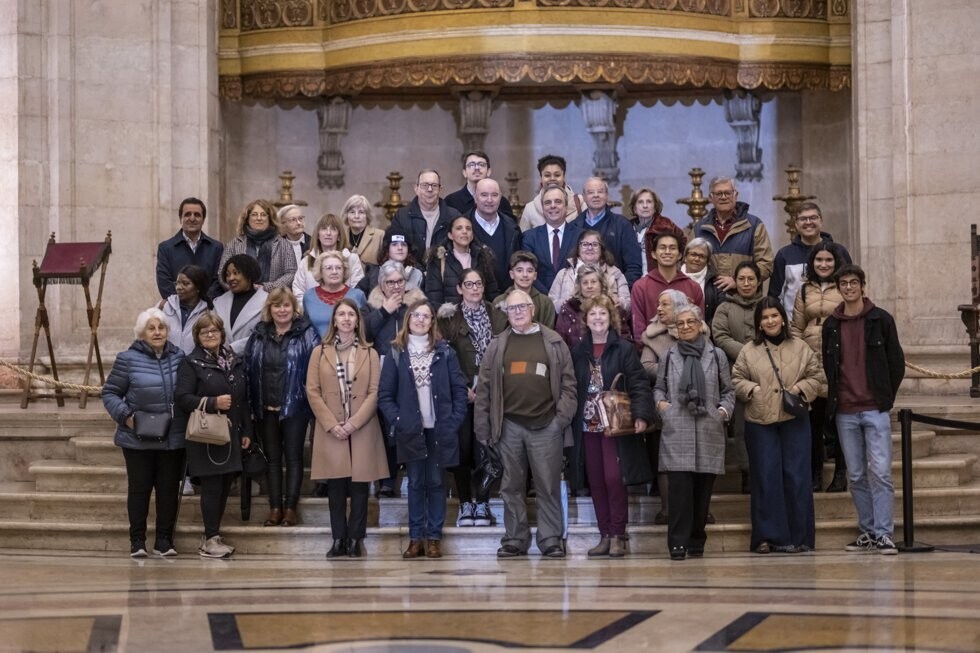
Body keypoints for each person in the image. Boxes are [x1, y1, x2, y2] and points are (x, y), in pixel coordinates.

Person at [474, 289, 577, 559]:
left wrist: (560, 421)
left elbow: (569, 385)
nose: (517, 312)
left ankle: (551, 539)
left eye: (522, 307)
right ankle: (515, 539)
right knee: (511, 486)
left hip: (547, 426)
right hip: (508, 426)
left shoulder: (554, 342)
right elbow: (484, 390)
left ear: (533, 309)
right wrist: (483, 430)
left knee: (548, 484)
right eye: (512, 308)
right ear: (506, 313)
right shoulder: (497, 345)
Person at [732, 297, 826, 554]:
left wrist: (799, 388)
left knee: (797, 477)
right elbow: (736, 378)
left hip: (794, 420)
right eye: (765, 318)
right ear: (759, 324)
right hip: (760, 422)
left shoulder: (801, 347)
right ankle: (766, 536)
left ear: (783, 318)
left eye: (774, 315)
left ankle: (801, 536)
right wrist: (753, 390)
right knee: (765, 478)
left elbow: (817, 376)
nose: (770, 321)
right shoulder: (748, 350)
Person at [822, 264, 905, 555]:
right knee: (856, 474)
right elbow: (828, 366)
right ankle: (868, 531)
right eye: (843, 283)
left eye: (853, 282)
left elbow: (897, 363)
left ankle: (884, 534)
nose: (848, 287)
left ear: (862, 285)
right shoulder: (830, 325)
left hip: (875, 409)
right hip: (845, 411)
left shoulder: (881, 319)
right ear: (838, 288)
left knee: (880, 472)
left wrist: (885, 397)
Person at [378, 300, 468, 559]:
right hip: (411, 430)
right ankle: (416, 537)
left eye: (425, 316)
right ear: (408, 319)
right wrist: (400, 421)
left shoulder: (445, 352)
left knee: (437, 482)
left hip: (439, 430)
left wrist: (453, 420)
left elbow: (459, 391)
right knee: (416, 483)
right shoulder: (396, 351)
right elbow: (385, 395)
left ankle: (434, 538)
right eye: (415, 315)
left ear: (432, 322)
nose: (420, 320)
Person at [570, 295, 652, 558]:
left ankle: (618, 534)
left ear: (611, 319)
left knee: (614, 478)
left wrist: (641, 415)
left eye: (602, 314)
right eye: (592, 314)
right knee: (595, 480)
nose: (597, 319)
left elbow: (639, 383)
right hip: (586, 425)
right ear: (586, 319)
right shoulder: (577, 351)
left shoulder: (624, 348)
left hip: (616, 425)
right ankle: (604, 535)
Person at [307, 299, 390, 558]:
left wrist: (354, 422)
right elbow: (312, 391)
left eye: (350, 315)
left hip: (362, 428)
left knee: (360, 488)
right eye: (341, 314)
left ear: (357, 320)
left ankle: (355, 539)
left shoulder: (370, 352)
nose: (345, 319)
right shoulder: (319, 352)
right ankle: (338, 539)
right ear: (334, 320)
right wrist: (333, 425)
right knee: (336, 489)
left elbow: (375, 392)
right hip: (331, 428)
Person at [102, 308, 187, 558]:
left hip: (172, 437)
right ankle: (137, 541)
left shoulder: (179, 357)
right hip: (137, 437)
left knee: (168, 490)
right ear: (141, 333)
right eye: (151, 328)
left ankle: (164, 541)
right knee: (139, 490)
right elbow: (109, 393)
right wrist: (126, 416)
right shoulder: (127, 359)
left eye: (161, 327)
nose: (157, 332)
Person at [654, 304, 734, 560]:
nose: (686, 326)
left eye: (691, 322)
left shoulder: (716, 354)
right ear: (675, 330)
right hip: (677, 430)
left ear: (701, 325)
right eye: (681, 323)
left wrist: (722, 411)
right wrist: (662, 407)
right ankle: (677, 543)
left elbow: (729, 391)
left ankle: (697, 541)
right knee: (679, 494)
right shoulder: (668, 356)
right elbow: (658, 388)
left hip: (708, 429)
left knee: (702, 494)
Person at [175, 312, 252, 558]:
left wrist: (247, 431)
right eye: (204, 332)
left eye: (214, 331)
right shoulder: (190, 363)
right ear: (197, 337)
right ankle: (210, 539)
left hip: (232, 433)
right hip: (206, 435)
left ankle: (212, 536)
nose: (209, 335)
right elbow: (182, 398)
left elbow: (243, 400)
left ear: (222, 334)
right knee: (211, 486)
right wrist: (212, 402)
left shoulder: (234, 359)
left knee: (225, 484)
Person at [243, 289, 319, 528]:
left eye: (286, 305)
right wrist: (251, 406)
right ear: (270, 309)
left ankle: (290, 509)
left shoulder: (306, 333)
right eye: (277, 306)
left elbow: (315, 369)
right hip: (265, 408)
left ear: (293, 307)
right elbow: (247, 370)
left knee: (294, 458)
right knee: (273, 460)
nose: (282, 310)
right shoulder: (258, 335)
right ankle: (275, 507)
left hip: (295, 408)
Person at [437, 268, 498, 527]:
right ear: (460, 288)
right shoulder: (448, 319)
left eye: (479, 283)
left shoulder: (498, 315)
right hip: (460, 394)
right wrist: (463, 388)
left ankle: (482, 502)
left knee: (485, 448)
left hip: (491, 393)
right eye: (469, 284)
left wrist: (487, 388)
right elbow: (442, 357)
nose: (474, 288)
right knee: (462, 450)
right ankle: (465, 503)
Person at [363, 260, 428, 498]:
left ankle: (413, 478)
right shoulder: (372, 305)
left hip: (414, 372)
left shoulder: (417, 304)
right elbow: (365, 332)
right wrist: (384, 311)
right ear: (382, 284)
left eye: (399, 281)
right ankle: (387, 481)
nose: (395, 286)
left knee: (412, 424)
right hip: (384, 372)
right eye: (390, 282)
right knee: (386, 428)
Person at [791, 242, 850, 493]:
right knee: (812, 423)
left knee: (839, 422)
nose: (824, 264)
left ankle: (840, 473)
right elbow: (795, 327)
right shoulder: (804, 291)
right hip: (811, 360)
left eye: (828, 260)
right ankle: (815, 473)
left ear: (836, 263)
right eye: (819, 260)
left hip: (839, 360)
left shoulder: (846, 287)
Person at [711, 261, 765, 493]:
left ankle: (766, 469)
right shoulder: (725, 307)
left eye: (750, 279)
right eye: (741, 279)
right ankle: (747, 472)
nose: (746, 283)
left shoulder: (768, 305)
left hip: (768, 373)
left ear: (758, 281)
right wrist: (748, 353)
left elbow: (779, 330)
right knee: (743, 427)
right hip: (736, 373)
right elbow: (720, 336)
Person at [638, 288, 688, 523]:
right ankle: (667, 510)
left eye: (665, 304)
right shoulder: (653, 336)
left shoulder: (697, 331)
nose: (659, 308)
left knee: (693, 459)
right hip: (665, 405)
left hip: (694, 406)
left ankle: (696, 508)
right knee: (665, 462)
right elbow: (646, 366)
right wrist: (673, 372)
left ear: (679, 306)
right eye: (658, 304)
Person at [689, 176, 774, 291]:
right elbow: (689, 264)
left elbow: (766, 263)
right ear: (711, 197)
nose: (723, 197)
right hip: (708, 299)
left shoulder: (754, 225)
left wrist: (737, 280)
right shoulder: (698, 229)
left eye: (727, 193)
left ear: (735, 195)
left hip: (745, 300)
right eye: (719, 194)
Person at [770, 202, 852, 320]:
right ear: (796, 224)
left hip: (836, 325)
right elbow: (775, 297)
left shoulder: (839, 251)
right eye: (803, 219)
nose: (808, 222)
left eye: (813, 218)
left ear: (821, 221)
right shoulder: (784, 255)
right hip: (794, 328)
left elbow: (851, 288)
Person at [631, 231, 704, 342]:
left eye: (673, 248)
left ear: (680, 255)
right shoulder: (640, 287)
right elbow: (638, 330)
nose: (667, 252)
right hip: (651, 351)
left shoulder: (693, 287)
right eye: (662, 247)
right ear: (653, 254)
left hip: (688, 350)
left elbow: (699, 325)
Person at [571, 177, 643, 286]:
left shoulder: (622, 225)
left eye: (600, 191)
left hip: (615, 295)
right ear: (584, 197)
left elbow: (634, 266)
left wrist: (621, 291)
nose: (596, 195)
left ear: (607, 195)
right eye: (591, 192)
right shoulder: (573, 227)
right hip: (580, 294)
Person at [217, 199, 297, 291]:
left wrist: (266, 288)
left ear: (270, 219)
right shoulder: (234, 244)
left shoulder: (283, 244)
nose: (259, 218)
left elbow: (291, 273)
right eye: (254, 215)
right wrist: (239, 289)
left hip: (272, 298)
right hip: (240, 298)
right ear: (247, 219)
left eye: (263, 215)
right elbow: (222, 273)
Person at [156, 197, 224, 300]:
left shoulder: (216, 248)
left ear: (203, 219)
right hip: (177, 311)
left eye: (197, 215)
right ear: (180, 219)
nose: (192, 218)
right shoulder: (165, 248)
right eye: (187, 214)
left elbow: (218, 281)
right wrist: (185, 303)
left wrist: (202, 304)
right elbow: (164, 284)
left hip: (208, 310)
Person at [520, 184, 583, 294]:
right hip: (539, 302)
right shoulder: (530, 237)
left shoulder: (580, 236)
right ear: (542, 208)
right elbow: (528, 271)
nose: (553, 206)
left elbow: (584, 271)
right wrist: (548, 298)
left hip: (573, 301)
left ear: (566, 207)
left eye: (558, 202)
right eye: (548, 202)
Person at [424, 214, 499, 306]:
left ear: (472, 236)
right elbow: (434, 296)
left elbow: (492, 292)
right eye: (459, 228)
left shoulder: (481, 257)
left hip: (480, 316)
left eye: (468, 229)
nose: (464, 231)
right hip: (451, 318)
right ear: (450, 235)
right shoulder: (439, 260)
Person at [387, 169, 461, 262]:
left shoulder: (454, 216)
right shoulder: (402, 216)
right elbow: (394, 249)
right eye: (425, 185)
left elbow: (459, 249)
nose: (430, 189)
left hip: (443, 272)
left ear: (440, 189)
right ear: (416, 189)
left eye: (434, 185)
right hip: (410, 271)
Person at [549, 230, 631, 312]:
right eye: (585, 244)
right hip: (570, 322)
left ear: (601, 249)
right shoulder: (563, 274)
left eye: (595, 244)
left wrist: (619, 303)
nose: (590, 248)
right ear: (578, 248)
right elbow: (550, 305)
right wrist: (569, 303)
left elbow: (628, 305)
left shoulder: (615, 272)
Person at [554, 265, 630, 350]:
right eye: (585, 283)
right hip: (576, 359)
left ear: (601, 284)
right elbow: (560, 342)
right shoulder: (569, 308)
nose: (589, 286)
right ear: (579, 286)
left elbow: (625, 339)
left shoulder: (614, 307)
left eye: (593, 282)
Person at [469, 178, 521, 295]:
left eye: (494, 195)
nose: (490, 200)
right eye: (484, 195)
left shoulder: (513, 228)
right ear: (475, 197)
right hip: (475, 298)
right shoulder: (464, 226)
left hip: (508, 298)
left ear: (500, 198)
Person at [294, 213, 365, 298]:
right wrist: (311, 308)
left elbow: (357, 291)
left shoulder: (351, 259)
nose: (328, 233)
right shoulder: (306, 262)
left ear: (339, 236)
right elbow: (298, 293)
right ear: (318, 235)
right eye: (324, 229)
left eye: (333, 229)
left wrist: (342, 309)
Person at [302, 251, 367, 339]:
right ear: (320, 271)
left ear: (344, 271)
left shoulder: (358, 295)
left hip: (350, 348)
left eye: (339, 268)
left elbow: (364, 328)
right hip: (317, 350)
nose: (334, 272)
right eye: (329, 268)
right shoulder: (309, 296)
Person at [212, 254, 269, 354]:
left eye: (236, 273)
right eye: (227, 274)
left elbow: (267, 334)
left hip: (251, 361)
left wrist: (235, 348)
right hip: (221, 362)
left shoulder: (267, 301)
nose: (231, 278)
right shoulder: (219, 302)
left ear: (249, 274)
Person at [491, 251, 556, 331]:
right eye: (519, 270)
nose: (525, 275)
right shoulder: (499, 302)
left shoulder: (546, 303)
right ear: (511, 274)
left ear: (535, 275)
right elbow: (498, 333)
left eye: (529, 271)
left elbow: (548, 335)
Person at [629, 188, 686, 277]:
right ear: (634, 208)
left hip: (660, 278)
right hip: (633, 279)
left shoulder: (666, 225)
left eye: (649, 202)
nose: (645, 206)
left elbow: (684, 245)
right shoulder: (627, 226)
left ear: (655, 207)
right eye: (640, 202)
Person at [518, 154, 583, 231]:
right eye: (547, 175)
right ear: (541, 177)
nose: (552, 179)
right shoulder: (530, 209)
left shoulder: (580, 203)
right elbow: (523, 239)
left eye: (557, 175)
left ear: (564, 177)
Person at [159, 264, 213, 355]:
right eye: (177, 283)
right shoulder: (164, 306)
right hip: (165, 365)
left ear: (198, 287)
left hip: (193, 367)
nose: (179, 287)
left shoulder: (208, 313)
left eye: (185, 283)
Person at [445, 151, 515, 217]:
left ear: (489, 171)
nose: (476, 168)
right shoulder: (451, 201)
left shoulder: (501, 202)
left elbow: (510, 227)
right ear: (464, 172)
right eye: (471, 165)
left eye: (481, 165)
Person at [357, 228, 425, 296]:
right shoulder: (374, 273)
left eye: (404, 244)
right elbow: (356, 295)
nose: (400, 248)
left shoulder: (417, 275)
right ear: (387, 249)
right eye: (394, 244)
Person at [680, 237, 723, 327]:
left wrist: (704, 330)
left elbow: (720, 315)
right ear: (685, 257)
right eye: (693, 254)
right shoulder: (673, 277)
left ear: (707, 261)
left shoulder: (716, 283)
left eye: (702, 256)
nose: (697, 259)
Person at [343, 194, 386, 267]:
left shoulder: (380, 235)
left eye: (361, 212)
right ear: (347, 215)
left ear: (367, 215)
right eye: (352, 212)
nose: (356, 216)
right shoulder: (341, 235)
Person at [277, 204, 311, 270]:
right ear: (282, 224)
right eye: (293, 220)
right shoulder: (276, 246)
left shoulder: (313, 243)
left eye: (300, 218)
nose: (299, 223)